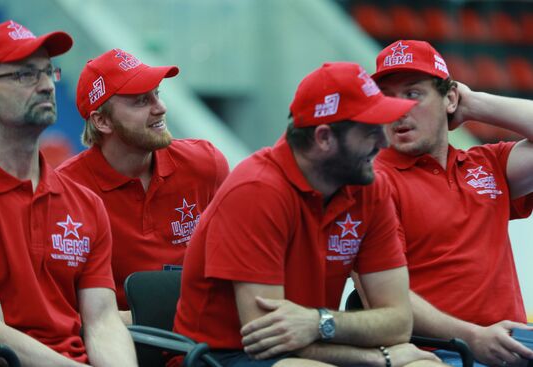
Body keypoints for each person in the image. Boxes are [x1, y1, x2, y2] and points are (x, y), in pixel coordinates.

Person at [173, 62, 444, 367]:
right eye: (369, 132)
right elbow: (269, 341)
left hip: (309, 346)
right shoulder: (256, 191)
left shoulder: (369, 186)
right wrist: (377, 358)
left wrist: (319, 322)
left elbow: (398, 321)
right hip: (223, 356)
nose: (383, 142)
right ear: (325, 138)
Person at [366, 39, 533, 367]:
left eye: (413, 94)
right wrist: (473, 337)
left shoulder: (488, 163)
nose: (398, 109)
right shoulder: (371, 182)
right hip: (436, 353)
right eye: (387, 97)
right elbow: (384, 301)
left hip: (514, 344)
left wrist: (473, 105)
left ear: (450, 98)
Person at [0, 20, 137, 366]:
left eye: (48, 71)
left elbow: (102, 321)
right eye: (24, 75)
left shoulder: (84, 204)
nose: (45, 85)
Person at [57, 48, 229, 323]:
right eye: (140, 101)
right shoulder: (64, 191)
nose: (160, 107)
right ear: (102, 121)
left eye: (157, 94)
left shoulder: (206, 164)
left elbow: (234, 269)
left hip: (203, 341)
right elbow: (61, 313)